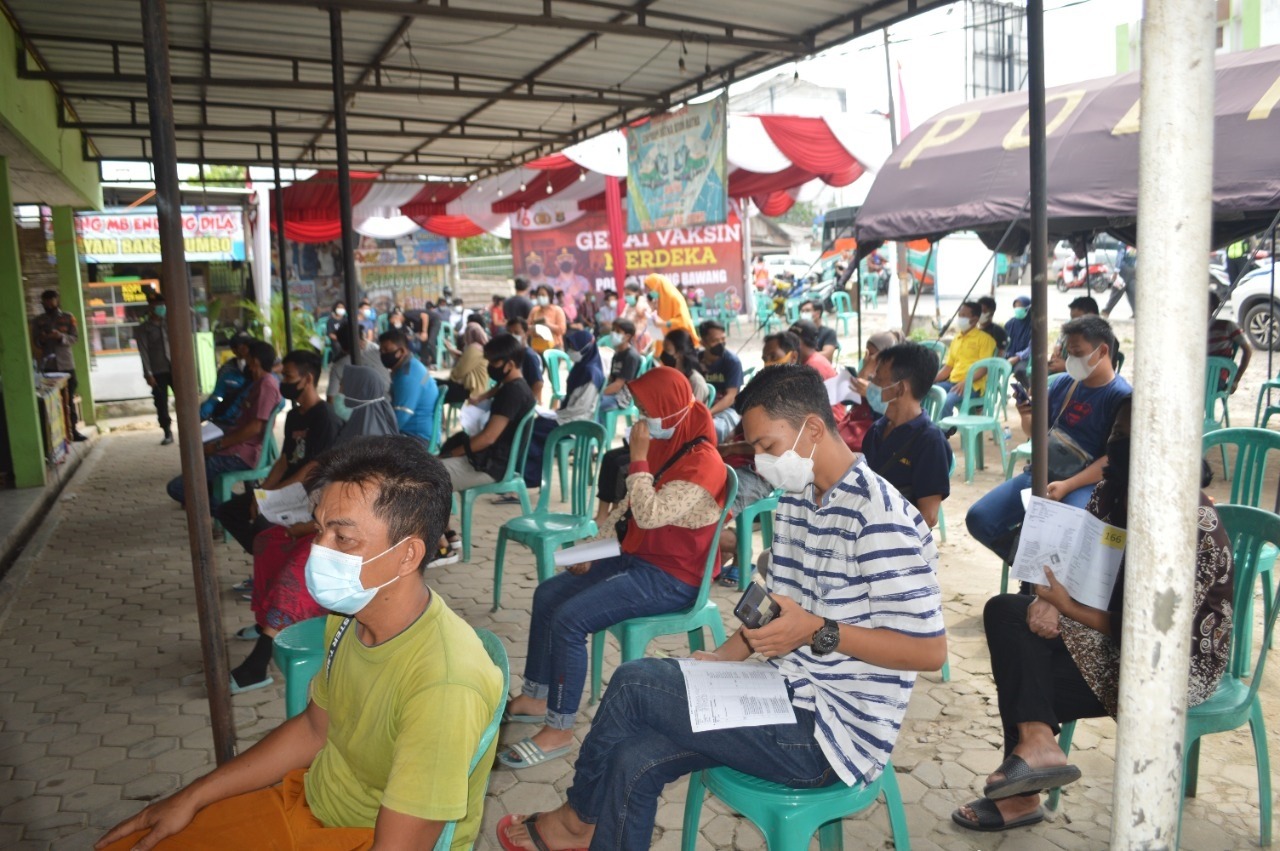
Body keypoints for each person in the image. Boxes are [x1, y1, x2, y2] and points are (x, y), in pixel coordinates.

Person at [498, 364, 946, 851]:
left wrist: (818, 629)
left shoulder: (881, 518)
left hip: (832, 736)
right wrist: (725, 659)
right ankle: (589, 831)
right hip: (783, 692)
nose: (759, 460)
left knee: (633, 683)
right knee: (631, 755)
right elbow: (775, 596)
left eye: (767, 447)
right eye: (753, 447)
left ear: (813, 429)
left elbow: (930, 652)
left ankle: (574, 823)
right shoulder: (797, 498)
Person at [100, 436, 503, 851]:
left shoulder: (444, 687)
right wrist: (191, 796)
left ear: (407, 555)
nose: (318, 550)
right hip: (308, 804)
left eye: (342, 538)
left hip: (358, 837)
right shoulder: (350, 619)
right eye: (319, 528)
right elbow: (315, 728)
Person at [953, 400, 1232, 833]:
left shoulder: (1188, 525)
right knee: (1008, 614)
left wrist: (1068, 609)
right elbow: (1084, 557)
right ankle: (1037, 745)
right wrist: (1051, 598)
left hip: (1172, 669)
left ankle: (1024, 787)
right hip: (1109, 632)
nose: (1116, 443)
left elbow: (1152, 637)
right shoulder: (1116, 487)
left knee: (1027, 670)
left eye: (1128, 436)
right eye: (1115, 433)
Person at [500, 366, 729, 770]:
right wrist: (594, 545)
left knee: (571, 620)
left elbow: (651, 513)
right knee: (548, 594)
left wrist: (638, 459)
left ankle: (560, 729)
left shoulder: (704, 462)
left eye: (646, 409)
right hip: (638, 558)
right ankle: (536, 696)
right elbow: (627, 510)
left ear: (671, 409)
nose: (640, 418)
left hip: (674, 578)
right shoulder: (671, 443)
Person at [228, 364, 396, 692]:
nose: (342, 398)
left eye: (349, 392)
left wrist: (306, 528)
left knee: (300, 564)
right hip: (328, 526)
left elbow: (361, 517)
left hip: (358, 541)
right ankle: (268, 622)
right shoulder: (353, 430)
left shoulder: (379, 442)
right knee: (267, 540)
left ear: (361, 395)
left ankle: (260, 659)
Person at [966, 316, 1132, 562]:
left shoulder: (1121, 397)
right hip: (1043, 472)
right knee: (979, 518)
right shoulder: (1064, 383)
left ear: (1103, 350)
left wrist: (1068, 485)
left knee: (1065, 536)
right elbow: (1038, 434)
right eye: (1069, 353)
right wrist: (1026, 415)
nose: (1071, 360)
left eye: (1077, 353)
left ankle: (1046, 577)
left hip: (1087, 484)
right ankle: (1033, 571)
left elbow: (1114, 459)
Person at [215, 349, 343, 555]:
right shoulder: (293, 415)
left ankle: (274, 564)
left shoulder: (325, 417)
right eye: (283, 375)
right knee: (228, 511)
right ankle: (266, 559)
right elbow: (284, 460)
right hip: (288, 489)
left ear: (307, 379)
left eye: (289, 376)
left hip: (310, 492)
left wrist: (272, 496)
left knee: (262, 522)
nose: (283, 381)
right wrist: (262, 493)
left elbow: (313, 468)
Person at [434, 334, 536, 562]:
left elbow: (488, 438)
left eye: (494, 363)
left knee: (426, 477)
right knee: (429, 467)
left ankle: (442, 548)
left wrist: (449, 454)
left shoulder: (513, 392)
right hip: (489, 459)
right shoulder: (511, 385)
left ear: (509, 364)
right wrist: (483, 397)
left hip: (491, 465)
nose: (490, 367)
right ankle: (448, 534)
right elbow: (496, 390)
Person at [167, 341, 282, 510]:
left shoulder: (266, 385)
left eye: (247, 358)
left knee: (177, 487)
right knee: (201, 459)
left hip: (243, 453)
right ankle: (230, 504)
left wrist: (219, 445)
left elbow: (255, 427)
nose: (244, 362)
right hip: (238, 446)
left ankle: (232, 510)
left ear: (255, 361)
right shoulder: (259, 382)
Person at [860, 342, 953, 529]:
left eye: (877, 380)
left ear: (900, 388)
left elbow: (927, 517)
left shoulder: (930, 442)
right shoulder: (876, 430)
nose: (871, 386)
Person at [523, 330, 604, 488]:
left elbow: (580, 408)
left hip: (577, 421)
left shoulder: (591, 372)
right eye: (570, 346)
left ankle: (529, 478)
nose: (570, 351)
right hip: (568, 416)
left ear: (586, 348)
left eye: (574, 347)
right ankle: (529, 475)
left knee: (532, 431)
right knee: (534, 425)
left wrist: (555, 415)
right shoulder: (582, 366)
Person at [30, 288, 87, 441]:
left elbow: (74, 338)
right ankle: (56, 437)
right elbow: (35, 341)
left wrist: (60, 336)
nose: (49, 303)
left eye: (51, 300)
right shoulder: (38, 321)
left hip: (66, 364)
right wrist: (42, 339)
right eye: (46, 301)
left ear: (57, 300)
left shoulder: (68, 317)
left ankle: (73, 431)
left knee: (68, 400)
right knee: (50, 403)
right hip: (48, 366)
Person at [935, 301, 997, 419]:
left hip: (972, 386)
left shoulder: (985, 340)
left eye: (964, 316)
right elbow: (948, 367)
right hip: (952, 383)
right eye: (959, 315)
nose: (960, 318)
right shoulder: (956, 339)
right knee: (928, 393)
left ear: (974, 319)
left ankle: (942, 432)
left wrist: (966, 382)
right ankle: (929, 429)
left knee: (947, 401)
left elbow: (984, 368)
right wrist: (931, 380)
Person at [378, 328, 439, 446]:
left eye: (386, 350)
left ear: (401, 351)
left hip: (417, 437)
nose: (383, 354)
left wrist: (378, 436)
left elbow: (400, 418)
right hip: (415, 432)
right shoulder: (410, 366)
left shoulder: (407, 376)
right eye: (381, 350)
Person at [327, 321, 388, 421]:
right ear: (361, 339)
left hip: (359, 419)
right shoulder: (378, 351)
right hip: (387, 411)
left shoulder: (338, 367)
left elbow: (331, 401)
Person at [135, 294, 175, 445]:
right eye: (159, 305)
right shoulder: (144, 329)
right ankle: (167, 432)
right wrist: (148, 374)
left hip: (174, 368)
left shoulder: (170, 323)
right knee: (161, 402)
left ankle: (189, 428)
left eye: (163, 305)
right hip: (157, 370)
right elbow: (143, 352)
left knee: (184, 399)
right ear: (151, 307)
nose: (162, 308)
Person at [699, 320, 744, 442]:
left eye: (723, 339)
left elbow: (730, 397)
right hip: (700, 408)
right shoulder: (696, 360)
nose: (720, 344)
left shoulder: (732, 362)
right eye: (715, 341)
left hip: (727, 410)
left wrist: (708, 413)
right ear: (703, 342)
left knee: (714, 429)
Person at [199, 334, 254, 430]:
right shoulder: (228, 372)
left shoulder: (264, 381)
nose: (245, 358)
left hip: (242, 427)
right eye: (242, 352)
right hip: (227, 422)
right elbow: (216, 397)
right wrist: (201, 415)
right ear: (234, 350)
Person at [440, 316, 490, 406]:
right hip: (478, 389)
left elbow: (457, 373)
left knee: (436, 387)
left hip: (471, 392)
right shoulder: (482, 348)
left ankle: (439, 418)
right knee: (435, 385)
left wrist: (452, 376)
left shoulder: (474, 348)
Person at [495, 317, 545, 404]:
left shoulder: (530, 356)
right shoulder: (511, 353)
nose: (512, 336)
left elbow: (538, 383)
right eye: (509, 333)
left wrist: (527, 403)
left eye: (516, 333)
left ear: (526, 333)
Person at [1208, 291, 1251, 392]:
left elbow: (1247, 351)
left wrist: (1236, 380)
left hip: (1216, 379)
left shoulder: (1227, 325)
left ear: (1211, 307)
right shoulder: (1193, 330)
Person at [597, 319, 642, 415]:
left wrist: (598, 394)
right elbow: (611, 379)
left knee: (594, 404)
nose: (613, 333)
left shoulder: (630, 356)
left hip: (623, 398)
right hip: (613, 393)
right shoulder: (617, 354)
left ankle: (599, 429)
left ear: (627, 336)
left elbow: (617, 385)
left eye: (617, 331)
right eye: (612, 330)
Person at [643, 273, 699, 345]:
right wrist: (652, 306)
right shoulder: (660, 300)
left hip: (681, 339)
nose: (649, 293)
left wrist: (665, 323)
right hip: (668, 339)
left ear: (657, 286)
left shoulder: (674, 298)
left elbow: (683, 321)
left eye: (650, 289)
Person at [1047, 296, 1100, 374]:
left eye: (1077, 319)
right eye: (1072, 319)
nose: (1073, 323)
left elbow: (1092, 371)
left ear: (1091, 315)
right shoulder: (1075, 329)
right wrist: (1058, 346)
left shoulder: (1099, 339)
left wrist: (1066, 367)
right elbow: (1062, 336)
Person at [1101, 245, 1137, 319]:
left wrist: (1116, 270)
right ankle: (1136, 312)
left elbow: (1120, 256)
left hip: (1124, 269)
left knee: (1118, 290)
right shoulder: (1134, 240)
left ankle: (1106, 311)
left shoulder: (1122, 243)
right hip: (1133, 269)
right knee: (1132, 291)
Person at [1004, 295, 1033, 385]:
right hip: (1009, 355)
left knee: (1020, 371)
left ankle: (1029, 391)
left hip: (1024, 358)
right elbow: (1004, 342)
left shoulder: (1033, 324)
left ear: (1028, 307)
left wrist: (1017, 357)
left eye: (1021, 306)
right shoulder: (1010, 323)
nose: (1018, 309)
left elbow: (1032, 347)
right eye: (1016, 306)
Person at [529, 284, 567, 352]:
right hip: (537, 347)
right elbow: (527, 327)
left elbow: (562, 330)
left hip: (554, 347)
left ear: (550, 296)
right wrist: (535, 328)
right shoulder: (534, 310)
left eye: (543, 295)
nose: (540, 297)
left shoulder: (557, 310)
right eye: (539, 295)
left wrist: (548, 325)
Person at [622, 278, 654, 353]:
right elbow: (622, 318)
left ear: (637, 293)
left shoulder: (642, 302)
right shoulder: (628, 306)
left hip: (642, 338)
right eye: (626, 295)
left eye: (629, 294)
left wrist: (639, 298)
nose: (627, 297)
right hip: (632, 339)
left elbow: (640, 311)